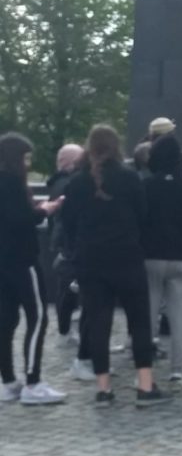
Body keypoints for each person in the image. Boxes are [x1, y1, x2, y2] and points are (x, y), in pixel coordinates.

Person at [61, 125, 170, 407]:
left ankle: (104, 389)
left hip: (90, 262)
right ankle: (145, 386)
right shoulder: (130, 178)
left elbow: (69, 224)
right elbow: (143, 216)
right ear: (116, 147)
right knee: (139, 320)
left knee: (98, 322)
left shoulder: (76, 182)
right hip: (127, 257)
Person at [0, 133, 66, 405]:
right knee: (37, 318)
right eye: (26, 158)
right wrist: (46, 210)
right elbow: (21, 219)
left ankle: (7, 381)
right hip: (22, 260)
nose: (28, 164)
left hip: (3, 262)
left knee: (5, 321)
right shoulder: (13, 184)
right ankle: (33, 381)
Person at [143, 135, 182, 386]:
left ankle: (144, 369)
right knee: (179, 317)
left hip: (151, 257)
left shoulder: (146, 185)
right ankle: (177, 370)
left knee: (147, 316)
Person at [47, 144, 85, 347]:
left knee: (68, 287)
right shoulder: (65, 184)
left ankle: (65, 328)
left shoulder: (59, 182)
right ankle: (64, 330)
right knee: (68, 288)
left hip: (65, 242)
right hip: (69, 244)